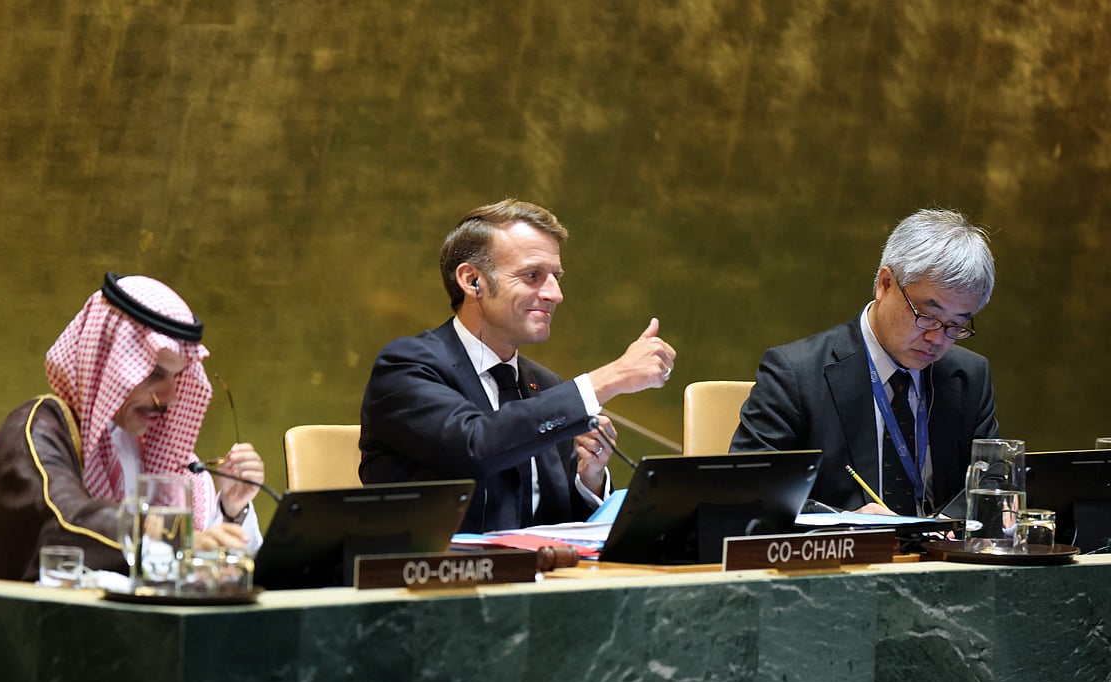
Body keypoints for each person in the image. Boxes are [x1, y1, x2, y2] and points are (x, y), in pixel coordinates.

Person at [359, 198, 676, 533]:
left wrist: (590, 478)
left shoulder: (545, 383)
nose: (555, 294)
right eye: (532, 275)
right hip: (433, 576)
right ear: (472, 281)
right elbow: (477, 446)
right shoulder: (407, 367)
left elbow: (559, 523)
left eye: (555, 276)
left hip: (540, 578)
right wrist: (612, 378)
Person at [0, 273, 267, 582]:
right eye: (154, 375)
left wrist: (231, 509)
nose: (170, 398)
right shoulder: (37, 429)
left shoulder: (150, 445)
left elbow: (195, 554)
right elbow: (65, 522)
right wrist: (166, 539)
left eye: (177, 377)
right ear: (110, 363)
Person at [731, 208, 998, 516]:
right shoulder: (795, 373)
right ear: (885, 284)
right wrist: (844, 522)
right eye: (928, 317)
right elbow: (750, 488)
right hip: (844, 556)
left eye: (956, 325)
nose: (938, 339)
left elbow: (990, 480)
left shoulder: (969, 376)